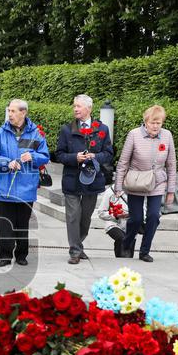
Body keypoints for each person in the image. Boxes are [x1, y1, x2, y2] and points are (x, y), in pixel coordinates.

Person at [0, 100, 50, 267]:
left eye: (13, 111)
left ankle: (21, 254)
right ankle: (5, 256)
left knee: (22, 223)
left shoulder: (36, 134)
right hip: (4, 186)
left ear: (23, 113)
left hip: (26, 186)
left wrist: (33, 157)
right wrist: (7, 162)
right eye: (9, 111)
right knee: (5, 223)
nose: (10, 114)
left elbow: (45, 156)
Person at [54, 94, 114, 265]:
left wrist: (96, 156)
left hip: (92, 179)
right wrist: (75, 157)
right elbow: (59, 154)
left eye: (79, 106)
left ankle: (78, 245)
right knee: (73, 216)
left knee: (85, 217)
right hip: (72, 179)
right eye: (74, 106)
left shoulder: (102, 129)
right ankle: (75, 251)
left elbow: (109, 154)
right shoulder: (67, 129)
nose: (75, 109)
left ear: (89, 109)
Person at [114, 105, 177, 262]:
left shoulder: (167, 136)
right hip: (137, 181)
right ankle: (127, 241)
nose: (156, 126)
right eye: (152, 123)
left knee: (154, 216)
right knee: (136, 219)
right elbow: (123, 162)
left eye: (159, 123)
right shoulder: (134, 135)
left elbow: (171, 164)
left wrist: (171, 191)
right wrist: (118, 187)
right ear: (146, 122)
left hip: (158, 182)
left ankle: (145, 251)